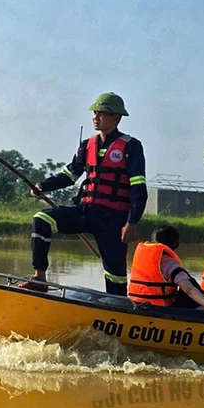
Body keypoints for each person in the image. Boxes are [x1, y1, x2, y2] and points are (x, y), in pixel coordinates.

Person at [21, 92, 146, 295]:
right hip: (86, 212)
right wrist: (43, 186)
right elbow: (69, 175)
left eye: (102, 113)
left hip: (113, 220)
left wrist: (132, 221)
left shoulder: (131, 146)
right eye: (94, 113)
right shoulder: (86, 145)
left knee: (116, 276)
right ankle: (39, 278)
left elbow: (138, 188)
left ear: (116, 117)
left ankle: (116, 311)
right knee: (41, 219)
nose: (96, 117)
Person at [127, 225, 204, 319]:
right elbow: (189, 289)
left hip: (135, 303)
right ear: (177, 244)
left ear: (153, 241)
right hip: (159, 309)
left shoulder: (143, 257)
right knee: (196, 291)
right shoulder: (169, 263)